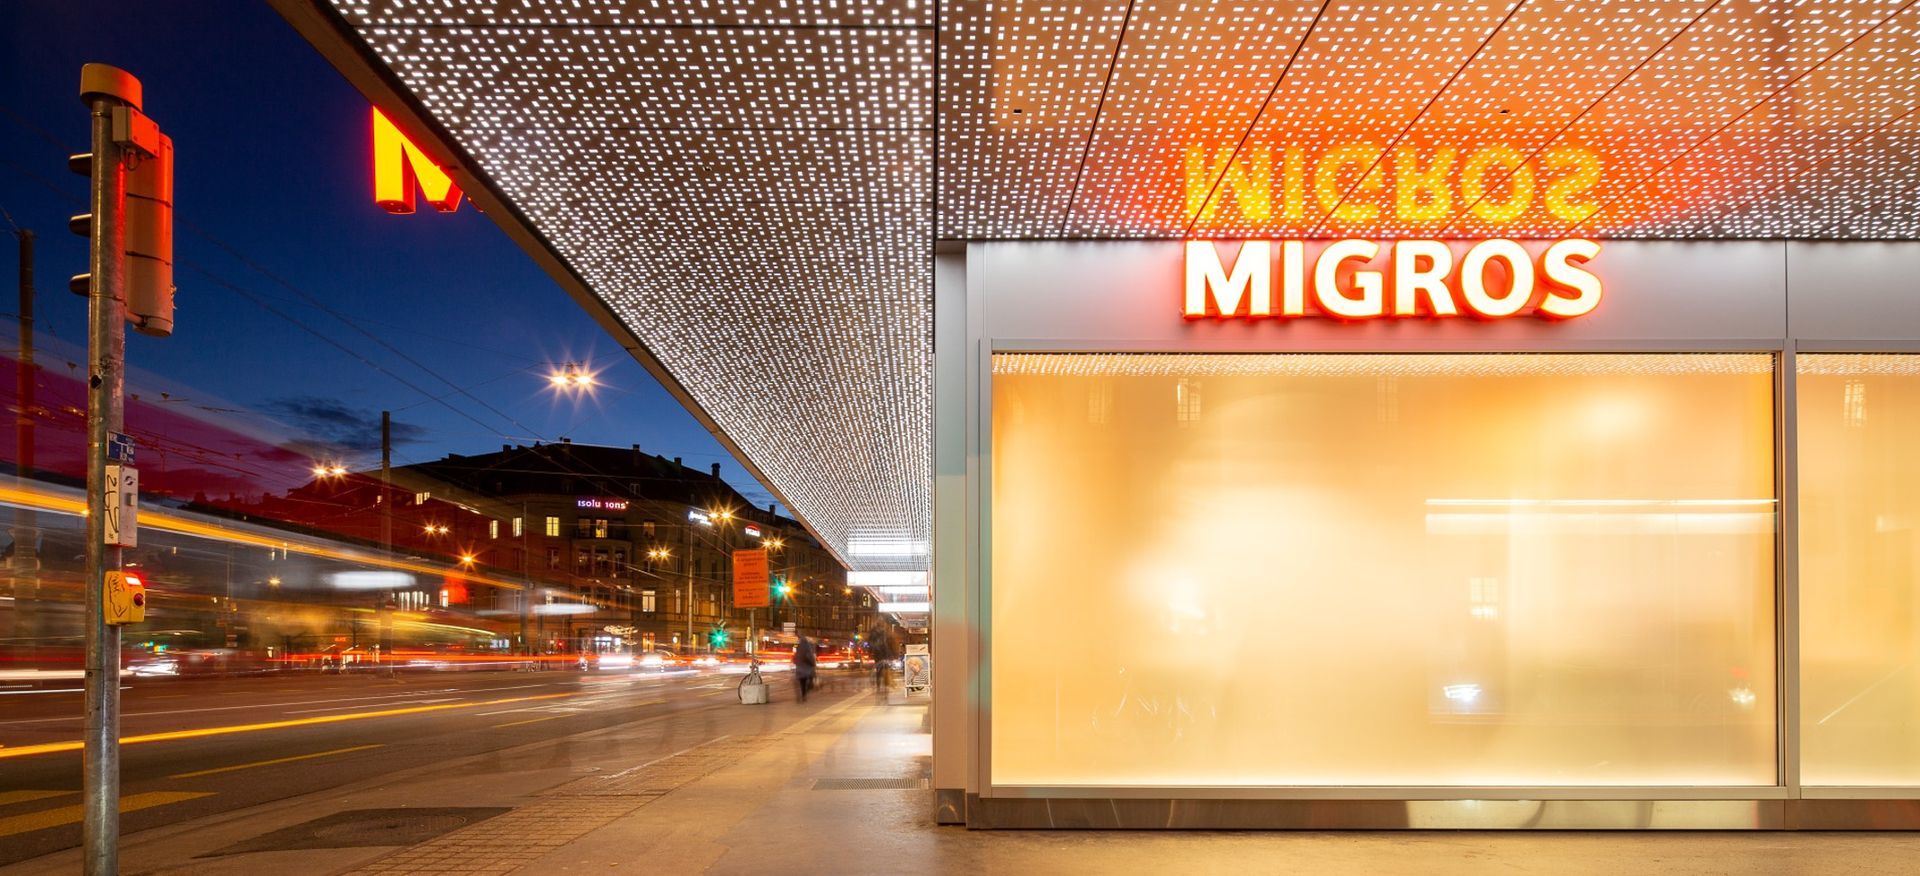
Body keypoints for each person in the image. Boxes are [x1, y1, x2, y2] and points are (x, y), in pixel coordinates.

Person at [793, 635, 817, 702]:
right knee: (809, 683)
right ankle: (804, 695)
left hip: (799, 670)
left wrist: (797, 663)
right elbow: (810, 658)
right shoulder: (807, 649)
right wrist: (813, 664)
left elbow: (794, 659)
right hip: (807, 670)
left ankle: (803, 695)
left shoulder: (798, 649)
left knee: (802, 683)